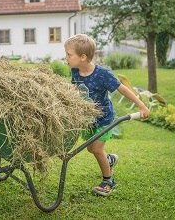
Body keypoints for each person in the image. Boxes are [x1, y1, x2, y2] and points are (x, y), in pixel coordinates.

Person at [64, 34, 150, 196]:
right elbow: (75, 91)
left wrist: (141, 105)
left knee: (96, 148)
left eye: (69, 54)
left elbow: (122, 89)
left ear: (83, 57)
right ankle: (109, 160)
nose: (66, 58)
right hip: (89, 120)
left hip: (104, 119)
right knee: (91, 148)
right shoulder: (75, 71)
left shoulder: (102, 74)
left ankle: (108, 181)